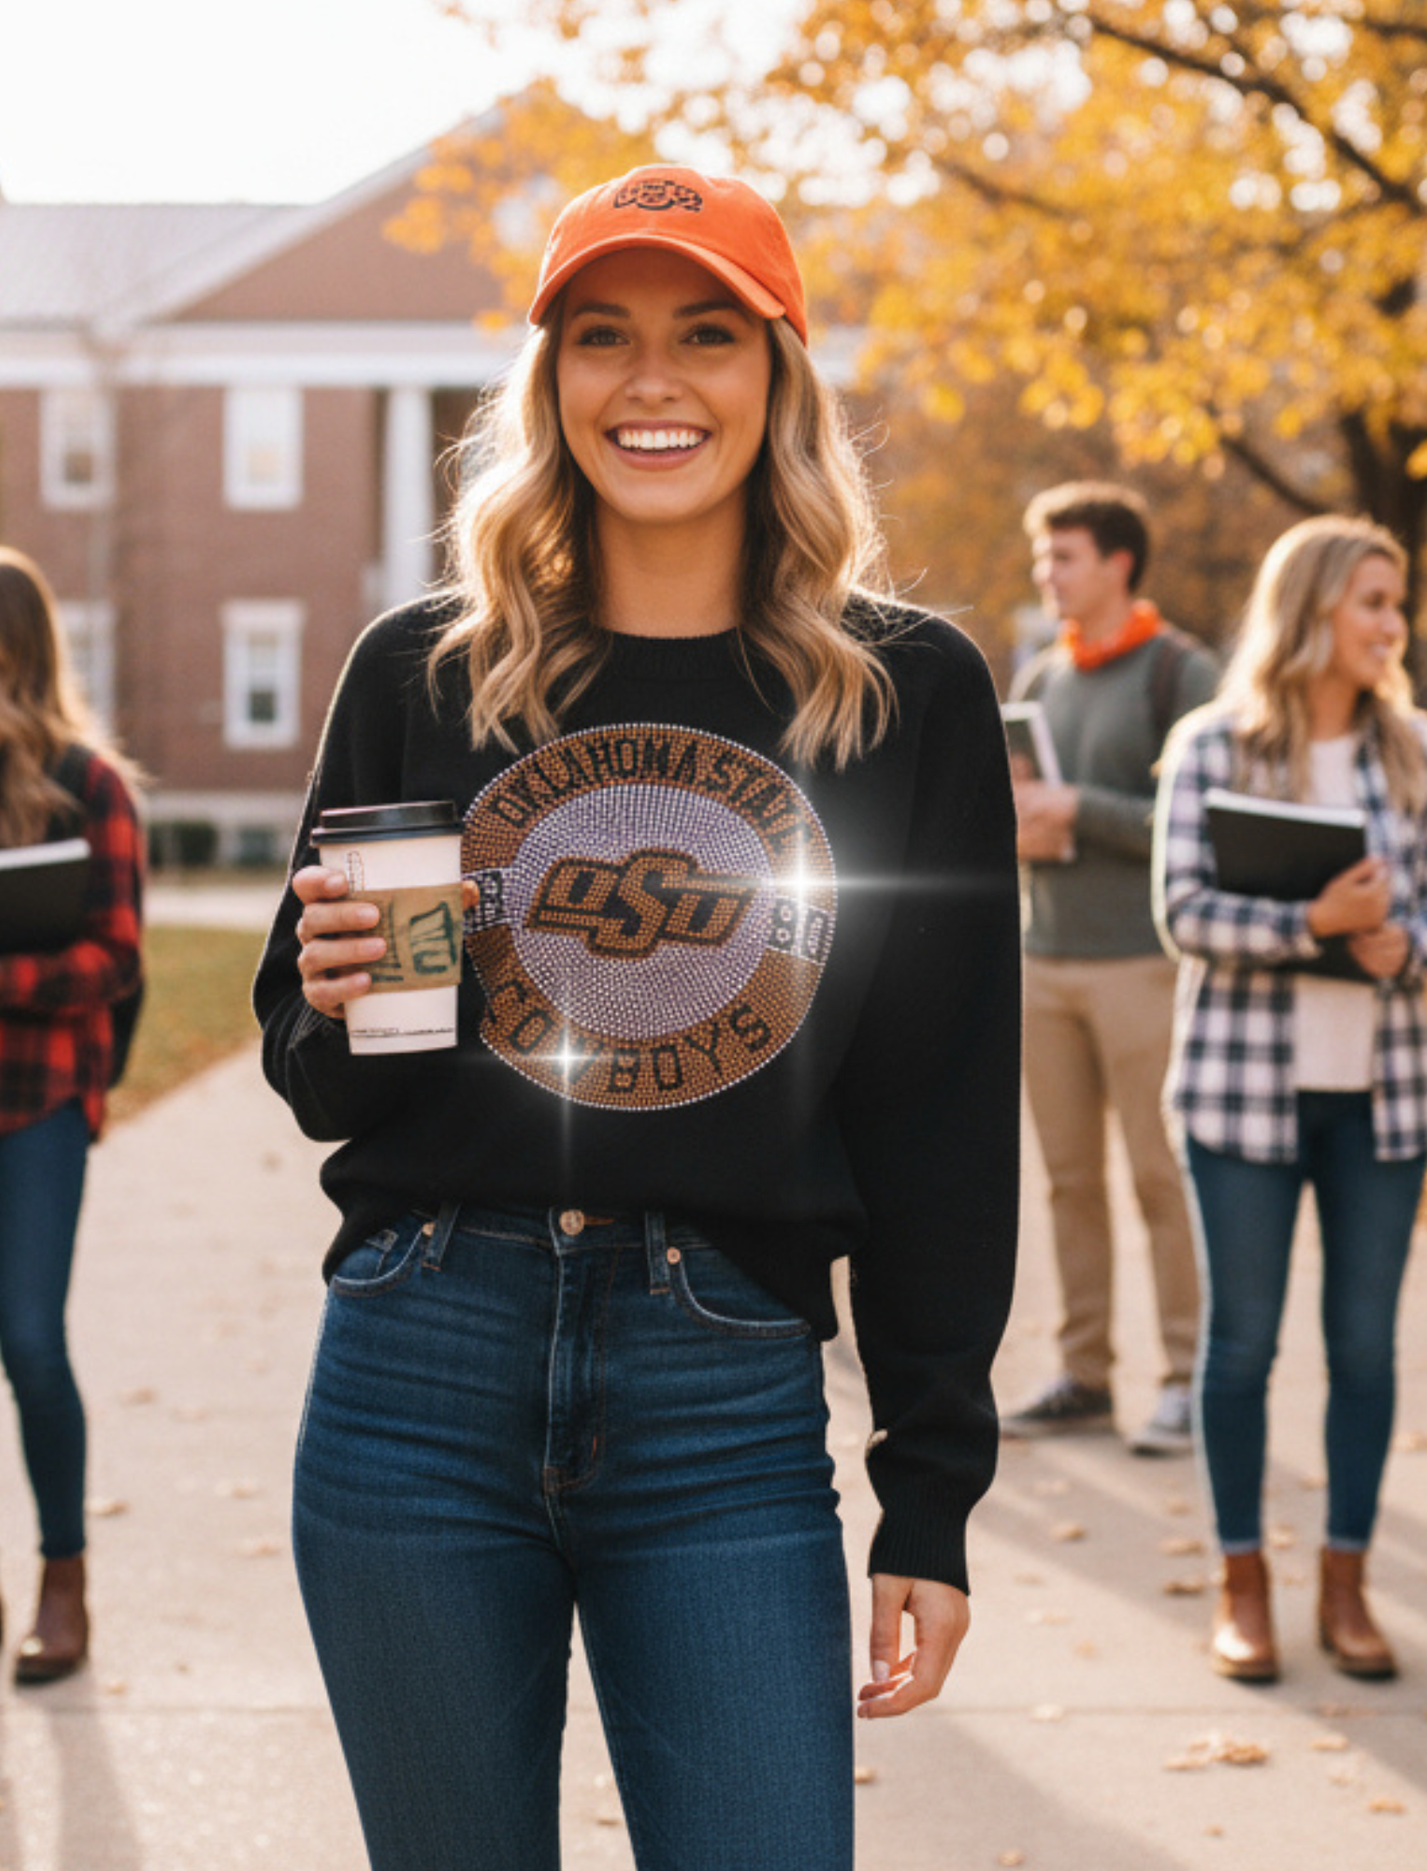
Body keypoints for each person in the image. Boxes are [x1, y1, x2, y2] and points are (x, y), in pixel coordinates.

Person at [253, 164, 1020, 1870]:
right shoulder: (424, 673)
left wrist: (933, 1494)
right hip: (415, 1363)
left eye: (705, 337)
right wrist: (335, 1004)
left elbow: (941, 1118)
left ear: (780, 376)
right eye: (602, 337)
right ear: (549, 385)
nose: (652, 382)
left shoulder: (904, 696)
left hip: (721, 1382)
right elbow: (327, 1084)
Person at [1154, 514, 1425, 1683]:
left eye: (1395, 602)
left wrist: (1395, 948)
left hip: (1381, 1100)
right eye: (1371, 599)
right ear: (1311, 604)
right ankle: (1240, 1584)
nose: (1389, 624)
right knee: (1240, 1348)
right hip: (1240, 1098)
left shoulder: (1413, 750)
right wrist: (1309, 924)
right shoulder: (1212, 744)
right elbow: (1182, 914)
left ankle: (1345, 1583)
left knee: (1362, 1352)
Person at [1001, 482, 1217, 1454]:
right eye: (1042, 558)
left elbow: (1196, 825)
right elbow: (1034, 811)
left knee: (1159, 1178)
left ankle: (1188, 1376)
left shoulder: (1181, 672)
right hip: (1041, 959)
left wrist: (1073, 808)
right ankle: (1082, 1375)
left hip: (1142, 962)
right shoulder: (1043, 677)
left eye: (1064, 557)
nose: (1046, 574)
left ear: (1117, 562)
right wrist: (1023, 823)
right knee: (1064, 1182)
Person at [0, 545, 144, 1684]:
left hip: (33, 1098)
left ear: (20, 661)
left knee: (32, 1344)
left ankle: (64, 1575)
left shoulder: (89, 786)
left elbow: (118, 959)